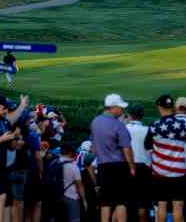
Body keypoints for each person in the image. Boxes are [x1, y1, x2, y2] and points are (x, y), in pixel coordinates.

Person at [0, 95, 29, 222]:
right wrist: (1, 139)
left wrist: (15, 140)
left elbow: (12, 147)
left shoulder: (4, 123)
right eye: (4, 109)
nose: (6, 111)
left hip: (1, 169)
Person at [90, 93, 135, 222]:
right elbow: (126, 148)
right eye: (120, 107)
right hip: (119, 167)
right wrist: (131, 167)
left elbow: (94, 147)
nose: (121, 110)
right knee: (121, 202)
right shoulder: (119, 125)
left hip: (102, 166)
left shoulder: (95, 122)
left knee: (105, 202)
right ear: (113, 107)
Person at [144, 94, 186, 222]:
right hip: (179, 172)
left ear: (159, 107)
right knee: (178, 207)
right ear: (172, 107)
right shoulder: (183, 125)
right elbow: (185, 141)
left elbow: (147, 147)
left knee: (162, 205)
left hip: (160, 173)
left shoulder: (154, 125)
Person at [126, 104, 152, 222]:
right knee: (142, 201)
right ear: (142, 116)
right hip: (144, 167)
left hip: (126, 166)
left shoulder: (123, 129)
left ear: (130, 115)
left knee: (126, 201)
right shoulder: (147, 130)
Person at [60, 142, 87, 222]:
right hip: (71, 197)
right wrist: (84, 200)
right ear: (71, 152)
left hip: (57, 197)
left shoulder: (54, 163)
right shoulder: (73, 167)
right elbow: (80, 186)